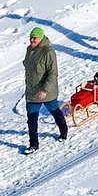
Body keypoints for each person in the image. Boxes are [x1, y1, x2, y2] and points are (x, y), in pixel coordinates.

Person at [22, 26, 67, 154]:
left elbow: (53, 74)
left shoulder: (48, 52)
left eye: (34, 38)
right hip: (32, 91)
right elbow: (27, 64)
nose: (31, 40)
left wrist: (45, 90)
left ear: (41, 38)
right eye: (30, 37)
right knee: (31, 119)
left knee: (55, 111)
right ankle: (33, 144)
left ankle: (63, 131)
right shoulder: (29, 50)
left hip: (46, 92)